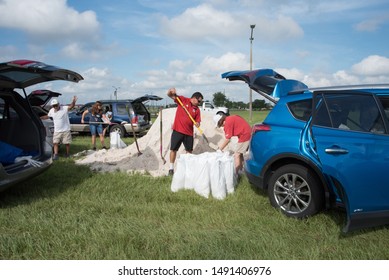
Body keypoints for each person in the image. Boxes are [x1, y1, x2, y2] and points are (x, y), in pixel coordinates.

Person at [167, 87, 204, 175]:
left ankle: (187, 169)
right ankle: (171, 169)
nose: (199, 103)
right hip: (178, 130)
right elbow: (170, 95)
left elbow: (198, 121)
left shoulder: (197, 109)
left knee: (189, 151)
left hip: (189, 133)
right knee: (173, 149)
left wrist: (197, 124)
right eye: (199, 101)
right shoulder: (183, 100)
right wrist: (170, 92)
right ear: (194, 98)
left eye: (200, 102)